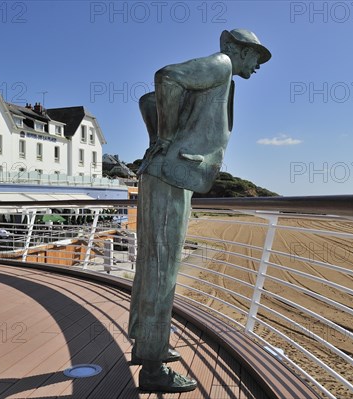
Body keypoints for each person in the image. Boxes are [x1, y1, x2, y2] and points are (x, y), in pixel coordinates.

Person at [128, 29, 271, 393]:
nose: (257, 65)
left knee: (153, 265)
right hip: (171, 176)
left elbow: (149, 101)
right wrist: (167, 139)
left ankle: (147, 344)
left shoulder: (222, 79)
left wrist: (162, 136)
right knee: (163, 270)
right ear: (236, 50)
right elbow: (166, 77)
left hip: (170, 175)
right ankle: (154, 368)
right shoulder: (221, 65)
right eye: (256, 56)